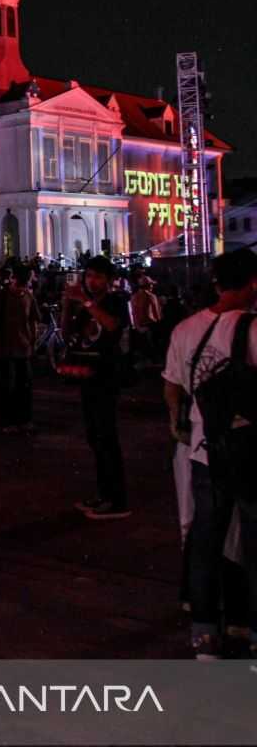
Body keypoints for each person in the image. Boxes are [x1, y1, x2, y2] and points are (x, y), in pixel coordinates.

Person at [162, 249, 257, 658]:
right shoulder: (253, 329)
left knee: (205, 538)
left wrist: (178, 425)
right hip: (249, 449)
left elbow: (172, 386)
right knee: (252, 540)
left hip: (204, 450)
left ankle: (204, 634)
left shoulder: (185, 330)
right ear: (252, 283)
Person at [63, 255, 132, 520]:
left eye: (98, 277)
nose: (92, 281)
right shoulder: (85, 304)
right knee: (95, 437)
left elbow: (112, 325)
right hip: (87, 375)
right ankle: (104, 494)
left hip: (107, 375)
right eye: (89, 276)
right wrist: (67, 305)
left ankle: (117, 500)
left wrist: (86, 301)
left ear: (109, 280)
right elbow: (69, 334)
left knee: (107, 437)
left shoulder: (116, 301)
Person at [0, 266, 42, 433]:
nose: (21, 289)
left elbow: (33, 319)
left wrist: (33, 340)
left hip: (23, 347)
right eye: (20, 285)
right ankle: (7, 422)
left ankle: (24, 419)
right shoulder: (2, 295)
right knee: (7, 386)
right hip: (4, 348)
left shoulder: (28, 296)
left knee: (24, 385)